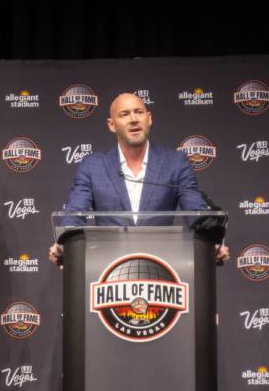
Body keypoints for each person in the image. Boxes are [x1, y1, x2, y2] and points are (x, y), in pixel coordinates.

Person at [48, 92, 229, 265]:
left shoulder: (175, 163)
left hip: (164, 266)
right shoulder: (92, 165)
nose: (133, 119)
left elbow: (195, 213)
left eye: (138, 112)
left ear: (149, 119)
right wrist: (64, 243)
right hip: (108, 268)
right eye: (124, 114)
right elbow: (74, 214)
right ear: (112, 125)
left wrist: (210, 244)